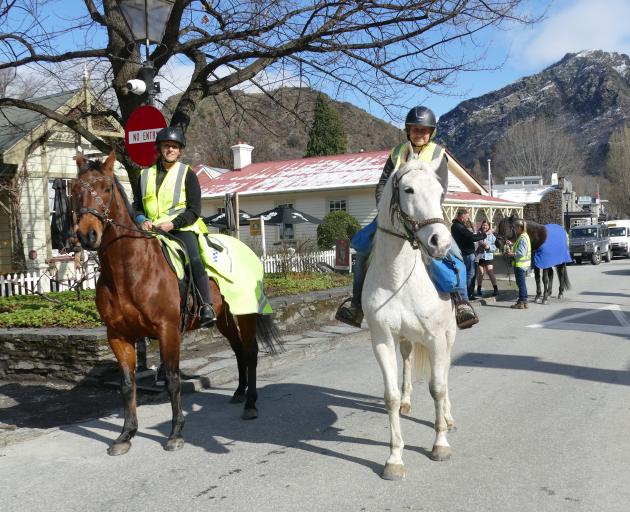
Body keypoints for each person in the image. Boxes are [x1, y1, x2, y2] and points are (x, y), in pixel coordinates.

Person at [335, 105, 478, 329]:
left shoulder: (438, 154)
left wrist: (424, 215)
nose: (419, 133)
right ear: (408, 131)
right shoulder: (396, 153)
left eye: (424, 130)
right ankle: (356, 305)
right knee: (362, 249)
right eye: (415, 129)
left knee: (455, 255)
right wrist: (385, 211)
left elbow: (439, 189)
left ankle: (462, 302)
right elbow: (383, 184)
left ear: (431, 133)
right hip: (394, 214)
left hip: (427, 215)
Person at [131, 126, 216, 327]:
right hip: (151, 230)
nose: (170, 149)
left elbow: (194, 210)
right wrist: (142, 219)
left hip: (182, 229)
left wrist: (172, 224)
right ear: (159, 148)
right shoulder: (143, 175)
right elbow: (136, 206)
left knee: (194, 259)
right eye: (167, 145)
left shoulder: (188, 174)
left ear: (180, 151)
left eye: (175, 147)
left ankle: (206, 306)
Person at [451, 208, 487, 300]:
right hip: (467, 253)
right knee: (470, 274)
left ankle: (468, 294)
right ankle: (467, 295)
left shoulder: (456, 226)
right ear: (462, 217)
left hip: (466, 253)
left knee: (470, 274)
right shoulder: (459, 227)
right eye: (466, 217)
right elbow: (472, 237)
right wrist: (485, 234)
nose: (467, 219)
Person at [505, 219, 531, 309]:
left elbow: (521, 252)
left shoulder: (523, 237)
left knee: (521, 284)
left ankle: (521, 302)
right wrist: (512, 244)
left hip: (520, 264)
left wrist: (511, 254)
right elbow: (519, 246)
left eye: (516, 227)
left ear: (520, 227)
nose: (515, 229)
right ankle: (524, 301)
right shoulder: (523, 236)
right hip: (522, 264)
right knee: (522, 283)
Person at [475, 220, 499, 297]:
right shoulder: (478, 234)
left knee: (490, 272)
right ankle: (479, 289)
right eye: (484, 225)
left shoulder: (492, 235)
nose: (485, 227)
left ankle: (495, 289)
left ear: (489, 226)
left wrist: (489, 247)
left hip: (488, 256)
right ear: (481, 225)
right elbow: (475, 243)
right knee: (481, 273)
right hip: (480, 256)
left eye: (487, 225)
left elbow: (495, 246)